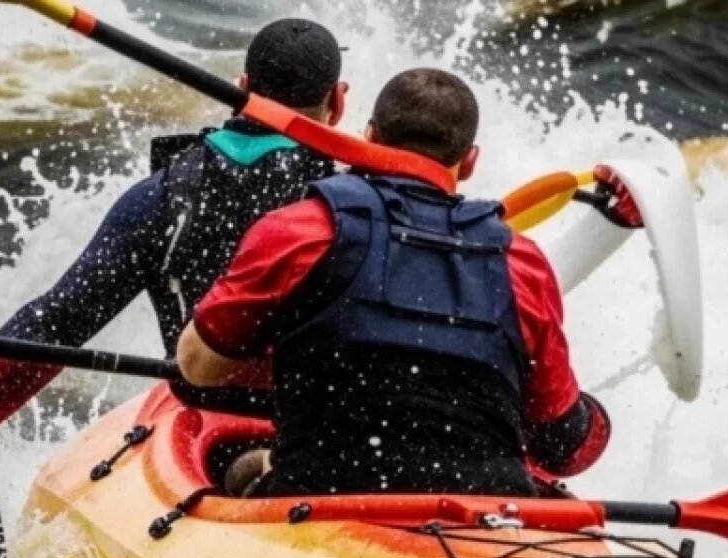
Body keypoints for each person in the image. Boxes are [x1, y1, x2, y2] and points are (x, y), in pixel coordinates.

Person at [0, 19, 347, 521]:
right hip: (335, 435)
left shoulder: (164, 198)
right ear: (338, 102)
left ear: (242, 87)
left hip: (204, 421)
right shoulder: (358, 201)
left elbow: (54, 327)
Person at [178, 68, 627, 497]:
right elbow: (563, 446)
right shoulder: (522, 263)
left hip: (318, 493)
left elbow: (197, 367)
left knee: (242, 469)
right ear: (470, 162)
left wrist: (281, 355)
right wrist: (596, 420)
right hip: (484, 511)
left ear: (369, 136)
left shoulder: (300, 231)